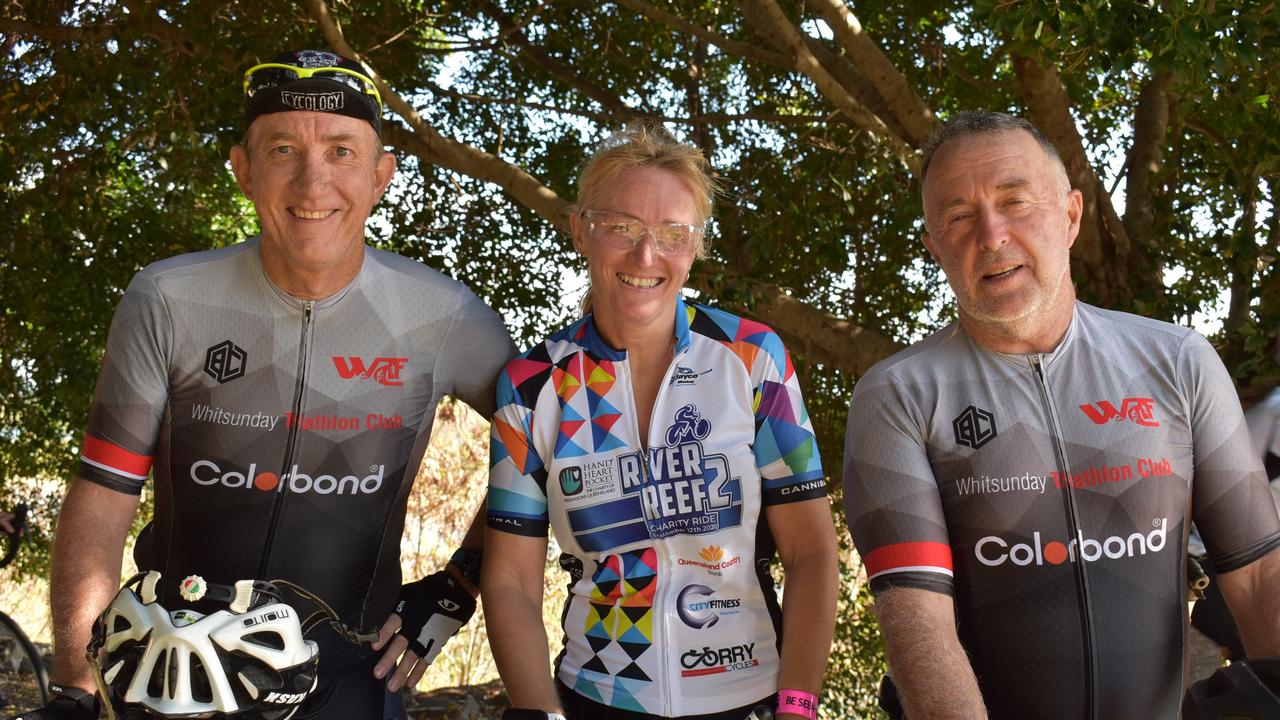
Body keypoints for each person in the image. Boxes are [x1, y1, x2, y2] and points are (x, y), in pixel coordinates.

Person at [20, 49, 516, 720]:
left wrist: (461, 582)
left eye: (342, 152)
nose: (313, 184)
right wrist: (77, 687)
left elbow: (547, 450)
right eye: (283, 150)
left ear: (381, 176)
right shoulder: (167, 299)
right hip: (170, 668)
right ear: (243, 170)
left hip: (353, 672)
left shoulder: (445, 317)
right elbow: (105, 492)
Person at [842, 111, 1280, 719]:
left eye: (1014, 202)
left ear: (1071, 216)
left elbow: (1259, 577)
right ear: (934, 246)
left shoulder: (1179, 362)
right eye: (959, 217)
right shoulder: (897, 396)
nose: (991, 235)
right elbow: (920, 626)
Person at [482, 125, 838, 720]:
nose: (647, 255)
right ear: (580, 230)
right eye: (621, 227)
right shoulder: (533, 385)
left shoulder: (752, 358)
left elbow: (812, 553)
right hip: (598, 692)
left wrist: (798, 707)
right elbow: (511, 580)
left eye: (673, 233)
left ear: (695, 245)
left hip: (749, 690)